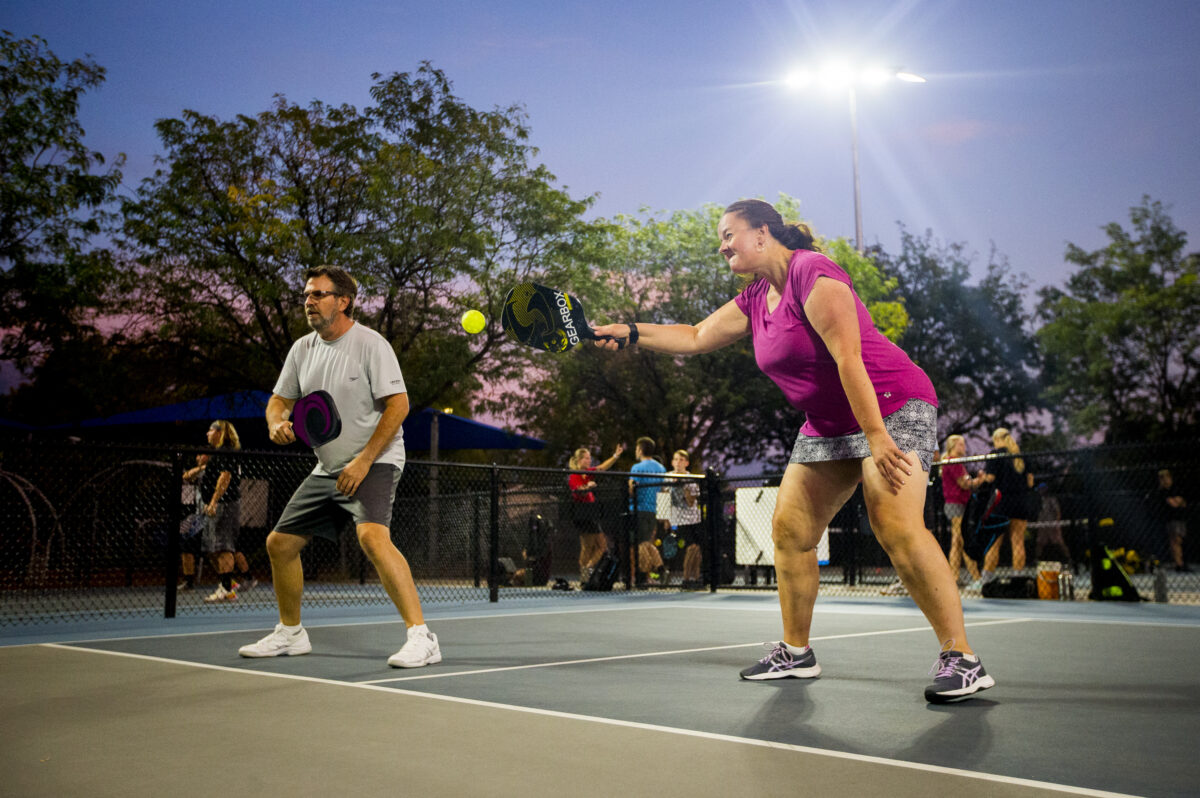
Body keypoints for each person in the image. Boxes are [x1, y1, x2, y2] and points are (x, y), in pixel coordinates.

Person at [592, 199, 993, 702]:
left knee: (894, 522)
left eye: (727, 234)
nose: (721, 245)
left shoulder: (813, 274)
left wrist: (876, 439)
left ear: (762, 233)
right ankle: (797, 652)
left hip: (890, 406)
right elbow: (694, 336)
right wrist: (629, 333)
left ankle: (961, 658)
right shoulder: (758, 297)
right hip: (827, 423)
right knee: (790, 529)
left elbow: (849, 360)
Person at [239, 265, 440, 668]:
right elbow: (278, 402)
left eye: (318, 294)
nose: (309, 302)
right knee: (279, 544)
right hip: (327, 466)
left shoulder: (370, 344)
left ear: (343, 301)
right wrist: (276, 422)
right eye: (307, 295)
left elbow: (398, 405)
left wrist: (364, 462)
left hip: (376, 459)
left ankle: (422, 638)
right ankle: (291, 633)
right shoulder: (302, 349)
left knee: (371, 538)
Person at [182, 421, 245, 602]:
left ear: (220, 432)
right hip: (218, 504)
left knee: (223, 547)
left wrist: (214, 501)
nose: (207, 433)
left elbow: (225, 477)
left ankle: (226, 589)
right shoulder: (218, 453)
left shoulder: (225, 451)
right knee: (212, 548)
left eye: (210, 430)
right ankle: (228, 583)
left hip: (225, 504)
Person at [979, 427, 1034, 584]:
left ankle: (986, 579)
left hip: (1001, 503)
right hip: (1020, 502)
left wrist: (982, 477)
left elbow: (990, 478)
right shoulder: (1020, 456)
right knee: (1018, 541)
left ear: (997, 440)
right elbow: (1030, 482)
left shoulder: (995, 455)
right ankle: (1018, 578)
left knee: (995, 542)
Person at [569, 443, 625, 585]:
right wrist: (588, 486)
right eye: (586, 458)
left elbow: (602, 467)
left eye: (589, 458)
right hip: (582, 511)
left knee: (601, 547)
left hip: (591, 511)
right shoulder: (574, 475)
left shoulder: (588, 473)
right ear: (579, 460)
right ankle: (584, 574)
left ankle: (587, 569)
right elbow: (578, 491)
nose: (589, 461)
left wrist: (615, 456)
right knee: (587, 545)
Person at [940, 435, 985, 586]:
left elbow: (966, 483)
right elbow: (965, 484)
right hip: (955, 504)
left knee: (958, 541)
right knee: (960, 539)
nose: (964, 447)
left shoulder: (957, 462)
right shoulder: (953, 461)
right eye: (961, 444)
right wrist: (980, 480)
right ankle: (975, 577)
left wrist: (975, 481)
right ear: (953, 446)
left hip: (959, 504)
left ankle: (955, 577)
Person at [628, 437, 666, 585]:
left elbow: (631, 488)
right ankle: (657, 569)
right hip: (653, 509)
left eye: (637, 449)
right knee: (646, 542)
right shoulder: (660, 468)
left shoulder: (637, 468)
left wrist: (629, 490)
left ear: (641, 450)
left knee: (641, 544)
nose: (636, 452)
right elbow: (662, 490)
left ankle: (644, 575)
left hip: (640, 508)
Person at [665, 449, 704, 589]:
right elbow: (664, 498)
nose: (678, 462)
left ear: (686, 463)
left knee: (696, 549)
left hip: (693, 518)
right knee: (690, 547)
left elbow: (691, 502)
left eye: (681, 460)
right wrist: (665, 518)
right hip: (677, 519)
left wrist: (683, 485)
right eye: (676, 459)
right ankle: (687, 578)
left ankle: (695, 577)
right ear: (672, 462)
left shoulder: (691, 478)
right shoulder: (667, 477)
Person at [1155, 469, 1189, 572]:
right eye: (1162, 478)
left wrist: (1177, 501)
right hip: (1171, 519)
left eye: (1167, 477)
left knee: (1179, 540)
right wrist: (1177, 501)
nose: (1165, 480)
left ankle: (1181, 562)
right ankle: (1179, 564)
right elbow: (1174, 503)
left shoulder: (1176, 488)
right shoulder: (1162, 491)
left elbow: (1183, 503)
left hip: (1180, 518)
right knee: (1175, 540)